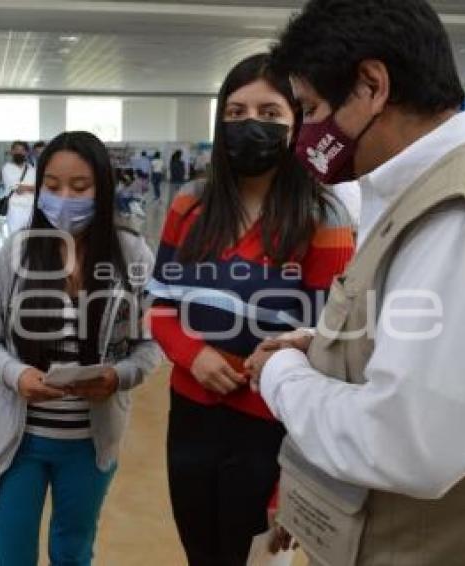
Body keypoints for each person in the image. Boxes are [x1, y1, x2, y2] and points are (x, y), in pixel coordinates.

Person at [246, 1, 465, 564]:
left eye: (310, 108)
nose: (305, 133)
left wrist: (281, 375)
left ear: (371, 86)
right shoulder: (425, 191)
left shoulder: (463, 217)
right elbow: (416, 338)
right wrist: (325, 347)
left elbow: (411, 444)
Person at [148, 53, 355, 566]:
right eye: (235, 113)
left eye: (269, 111)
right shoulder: (190, 205)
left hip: (274, 423)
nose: (249, 124)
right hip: (192, 414)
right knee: (201, 549)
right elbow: (159, 306)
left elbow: (328, 342)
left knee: (255, 556)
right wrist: (192, 354)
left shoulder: (320, 215)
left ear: (298, 121)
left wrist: (301, 476)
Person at [0, 131, 162, 566]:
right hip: (17, 442)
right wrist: (17, 375)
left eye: (80, 187)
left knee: (72, 551)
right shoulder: (15, 253)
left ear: (104, 188)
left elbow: (151, 343)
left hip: (88, 445)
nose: (64, 199)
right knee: (12, 553)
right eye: (52, 187)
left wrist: (117, 376)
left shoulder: (131, 253)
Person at [0, 141, 37, 234]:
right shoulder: (7, 168)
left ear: (26, 152)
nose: (19, 152)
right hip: (15, 208)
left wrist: (26, 187)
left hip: (31, 208)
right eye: (16, 150)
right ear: (12, 152)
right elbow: (18, 189)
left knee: (29, 239)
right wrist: (32, 188)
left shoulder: (31, 169)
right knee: (15, 238)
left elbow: (39, 188)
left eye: (22, 150)